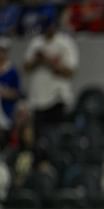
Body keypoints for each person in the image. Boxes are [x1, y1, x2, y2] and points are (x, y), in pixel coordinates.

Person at [23, 13, 79, 141]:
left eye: (51, 26)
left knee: (55, 137)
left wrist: (47, 60)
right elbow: (25, 67)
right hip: (38, 97)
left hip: (57, 97)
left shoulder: (65, 43)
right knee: (38, 137)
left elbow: (69, 72)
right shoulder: (36, 43)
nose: (49, 29)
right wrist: (37, 60)